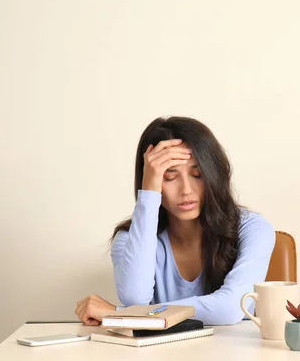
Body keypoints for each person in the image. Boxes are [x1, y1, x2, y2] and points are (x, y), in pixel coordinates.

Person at [75, 116, 275, 326]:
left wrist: (122, 314)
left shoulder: (253, 229)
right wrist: (149, 194)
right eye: (169, 177)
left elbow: (231, 308)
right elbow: (135, 299)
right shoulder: (128, 239)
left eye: (198, 174)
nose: (186, 190)